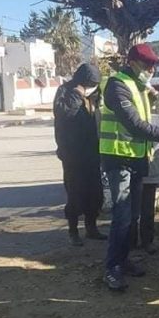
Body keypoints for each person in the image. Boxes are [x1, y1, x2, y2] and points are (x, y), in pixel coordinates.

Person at [100, 43, 159, 291]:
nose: (151, 69)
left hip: (137, 159)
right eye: (147, 64)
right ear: (131, 63)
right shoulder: (117, 85)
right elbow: (133, 124)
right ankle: (112, 268)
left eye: (154, 65)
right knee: (122, 216)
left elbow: (150, 120)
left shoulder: (139, 86)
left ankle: (123, 259)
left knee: (133, 216)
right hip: (118, 158)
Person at [53, 63, 105, 246]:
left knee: (95, 193)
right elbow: (64, 114)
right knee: (75, 194)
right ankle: (73, 231)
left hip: (93, 152)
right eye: (89, 84)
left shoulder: (94, 95)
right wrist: (77, 94)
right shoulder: (65, 91)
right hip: (73, 155)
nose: (92, 87)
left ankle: (92, 228)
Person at [130, 149, 159, 255]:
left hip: (150, 163)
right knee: (131, 209)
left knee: (147, 208)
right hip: (131, 163)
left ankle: (147, 241)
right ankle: (130, 241)